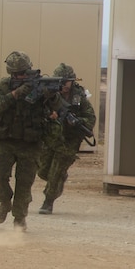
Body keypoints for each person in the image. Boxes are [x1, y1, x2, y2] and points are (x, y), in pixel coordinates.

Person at [0, 51, 57, 230]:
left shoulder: (39, 86)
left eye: (25, 72)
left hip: (31, 143)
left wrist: (50, 96)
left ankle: (19, 218)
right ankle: (4, 201)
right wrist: (16, 93)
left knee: (24, 183)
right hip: (7, 140)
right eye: (18, 74)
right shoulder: (2, 86)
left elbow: (54, 107)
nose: (22, 76)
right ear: (11, 73)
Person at [36, 63, 97, 214]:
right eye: (60, 82)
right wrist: (48, 116)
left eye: (66, 81)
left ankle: (48, 202)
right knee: (43, 171)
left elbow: (90, 117)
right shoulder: (47, 95)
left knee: (55, 172)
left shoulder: (78, 96)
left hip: (69, 140)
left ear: (73, 81)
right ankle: (59, 178)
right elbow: (35, 111)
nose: (63, 85)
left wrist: (77, 122)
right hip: (50, 137)